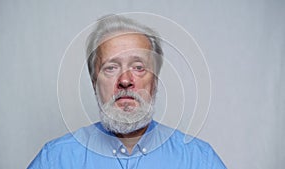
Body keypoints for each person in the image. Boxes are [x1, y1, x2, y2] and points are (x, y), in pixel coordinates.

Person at [27, 14, 227, 169]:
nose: (125, 80)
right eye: (111, 68)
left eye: (138, 67)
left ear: (155, 81)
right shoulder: (54, 160)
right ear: (94, 81)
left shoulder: (198, 160)